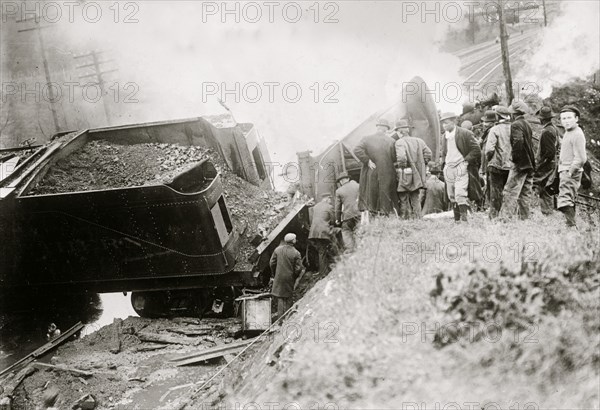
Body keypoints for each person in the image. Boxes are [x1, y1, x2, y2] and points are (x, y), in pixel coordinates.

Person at [440, 112, 483, 223]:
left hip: (461, 167)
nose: (444, 126)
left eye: (446, 123)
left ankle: (464, 220)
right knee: (451, 195)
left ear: (454, 122)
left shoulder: (465, 134)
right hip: (449, 168)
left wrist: (465, 162)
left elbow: (476, 150)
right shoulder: (444, 137)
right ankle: (457, 220)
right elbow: (444, 153)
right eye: (442, 123)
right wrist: (444, 164)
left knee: (460, 193)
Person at [353, 119, 399, 217]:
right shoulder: (392, 141)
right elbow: (394, 158)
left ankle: (372, 217)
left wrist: (367, 160)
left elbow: (356, 149)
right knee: (385, 193)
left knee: (371, 194)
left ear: (377, 127)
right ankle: (384, 216)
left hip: (371, 171)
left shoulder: (366, 138)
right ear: (386, 129)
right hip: (387, 172)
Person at [500, 101, 536, 220]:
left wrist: (515, 159)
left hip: (520, 163)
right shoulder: (527, 124)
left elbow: (518, 142)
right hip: (529, 163)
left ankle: (505, 219)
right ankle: (524, 219)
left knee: (510, 191)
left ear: (513, 113)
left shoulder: (515, 124)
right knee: (525, 192)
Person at [394, 119, 432, 219]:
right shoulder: (419, 141)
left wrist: (402, 167)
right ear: (407, 130)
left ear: (399, 132)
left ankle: (406, 219)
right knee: (415, 197)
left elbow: (401, 157)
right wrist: (422, 164)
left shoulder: (399, 142)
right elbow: (429, 154)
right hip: (417, 174)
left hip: (405, 173)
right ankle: (418, 219)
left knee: (403, 197)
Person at [557, 105, 587, 227]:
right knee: (568, 199)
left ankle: (571, 227)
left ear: (576, 119)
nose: (566, 121)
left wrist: (570, 172)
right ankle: (570, 226)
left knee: (564, 201)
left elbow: (581, 158)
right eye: (563, 118)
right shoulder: (569, 132)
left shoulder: (577, 134)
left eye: (569, 118)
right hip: (565, 170)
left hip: (570, 171)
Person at [485, 106, 513, 219]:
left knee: (495, 191)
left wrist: (489, 159)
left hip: (496, 165)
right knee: (509, 191)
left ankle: (494, 215)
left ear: (497, 116)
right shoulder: (514, 128)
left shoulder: (495, 129)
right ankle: (507, 215)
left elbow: (489, 149)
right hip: (510, 165)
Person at [269, 233, 304, 319]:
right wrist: (294, 276)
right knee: (288, 297)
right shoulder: (296, 253)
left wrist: (275, 273)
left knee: (280, 297)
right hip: (289, 277)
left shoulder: (277, 250)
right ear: (293, 241)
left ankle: (280, 320)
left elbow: (271, 263)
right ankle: (288, 319)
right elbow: (298, 268)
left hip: (279, 276)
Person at [534, 106, 561, 215]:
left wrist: (539, 165)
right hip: (551, 164)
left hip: (547, 165)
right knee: (547, 188)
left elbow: (549, 152)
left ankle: (546, 212)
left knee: (540, 187)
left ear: (543, 119)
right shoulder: (554, 129)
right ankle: (548, 212)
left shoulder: (546, 132)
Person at [308, 193, 336, 275]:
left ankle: (324, 270)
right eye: (330, 199)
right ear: (327, 199)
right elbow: (334, 220)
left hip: (314, 232)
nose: (330, 201)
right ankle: (324, 272)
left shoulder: (316, 206)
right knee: (325, 249)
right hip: (323, 231)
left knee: (321, 251)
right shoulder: (329, 207)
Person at [334, 172, 360, 252]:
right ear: (348, 179)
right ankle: (362, 248)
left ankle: (351, 250)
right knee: (360, 231)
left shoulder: (339, 191)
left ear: (341, 182)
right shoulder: (357, 185)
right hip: (359, 214)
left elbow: (337, 207)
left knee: (346, 230)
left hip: (347, 216)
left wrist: (337, 219)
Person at [478, 110, 497, 210]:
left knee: (491, 186)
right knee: (488, 185)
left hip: (491, 163)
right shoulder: (486, 132)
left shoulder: (492, 131)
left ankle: (491, 207)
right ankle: (489, 206)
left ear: (492, 122)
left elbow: (489, 150)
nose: (484, 124)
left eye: (486, 122)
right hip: (486, 164)